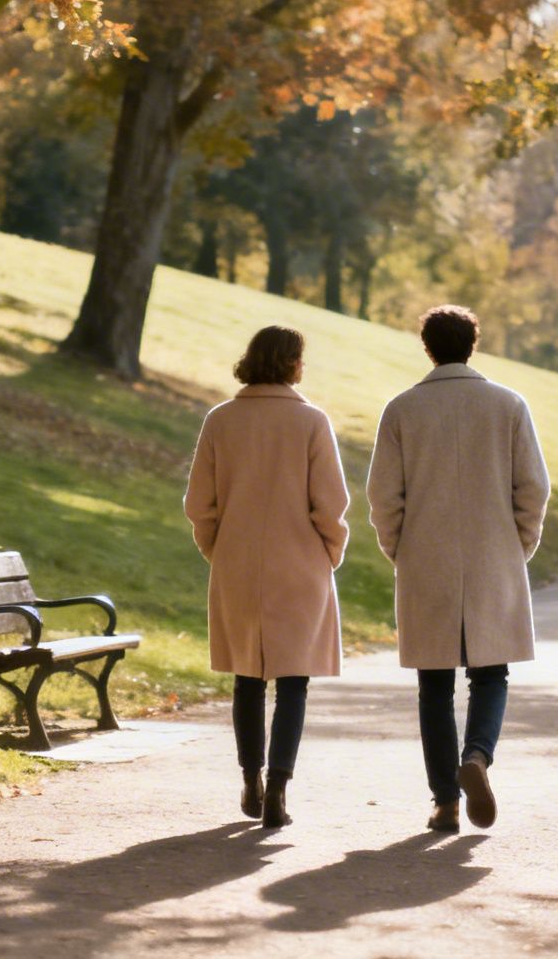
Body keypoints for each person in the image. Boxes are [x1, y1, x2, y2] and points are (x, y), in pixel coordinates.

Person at [368, 305, 551, 833]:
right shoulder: (508, 405)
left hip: (427, 555)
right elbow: (533, 488)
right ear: (474, 343)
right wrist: (519, 544)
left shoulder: (402, 410)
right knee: (492, 674)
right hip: (494, 552)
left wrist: (397, 547)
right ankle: (477, 755)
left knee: (434, 685)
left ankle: (445, 800)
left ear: (427, 347)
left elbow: (384, 496)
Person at [185, 325, 351, 829]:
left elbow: (200, 504)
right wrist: (330, 553)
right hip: (301, 562)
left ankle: (250, 778)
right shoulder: (310, 421)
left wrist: (218, 548)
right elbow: (332, 504)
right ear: (291, 364)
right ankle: (280, 785)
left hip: (236, 562)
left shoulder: (221, 420)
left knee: (247, 679)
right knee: (294, 680)